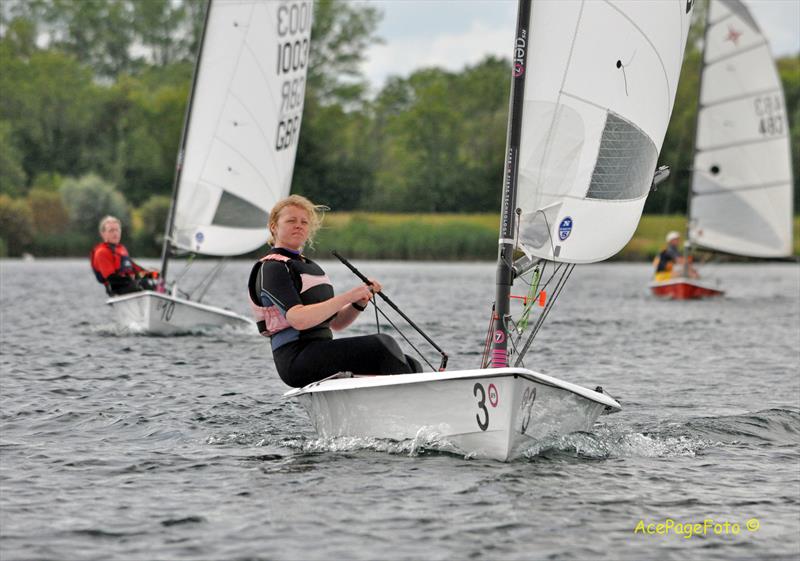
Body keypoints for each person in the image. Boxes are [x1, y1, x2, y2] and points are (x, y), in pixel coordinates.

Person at [248, 195, 421, 388]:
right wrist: (349, 295)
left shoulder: (309, 266)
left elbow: (337, 323)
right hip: (295, 359)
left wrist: (359, 301)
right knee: (381, 346)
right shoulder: (273, 268)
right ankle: (408, 404)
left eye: (304, 222)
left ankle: (412, 404)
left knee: (411, 364)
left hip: (318, 352)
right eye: (291, 221)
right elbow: (298, 319)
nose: (299, 225)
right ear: (274, 227)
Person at [90, 216, 159, 295]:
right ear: (103, 234)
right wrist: (133, 279)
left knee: (150, 280)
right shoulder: (102, 252)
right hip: (117, 289)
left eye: (117, 230)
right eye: (111, 231)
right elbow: (112, 279)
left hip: (130, 284)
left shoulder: (121, 249)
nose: (115, 233)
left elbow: (135, 269)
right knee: (140, 284)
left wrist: (152, 274)